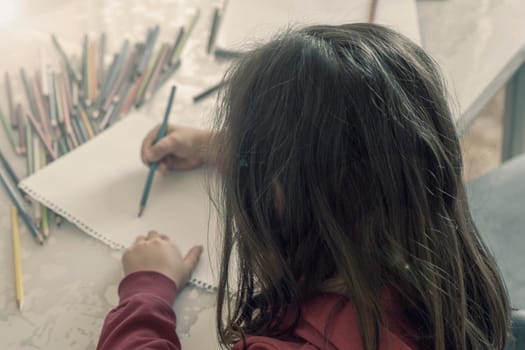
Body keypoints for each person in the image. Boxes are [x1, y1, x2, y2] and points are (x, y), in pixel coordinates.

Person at [96, 23, 511, 350]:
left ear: (279, 195)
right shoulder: (443, 278)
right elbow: (352, 159)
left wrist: (146, 291)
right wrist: (220, 146)